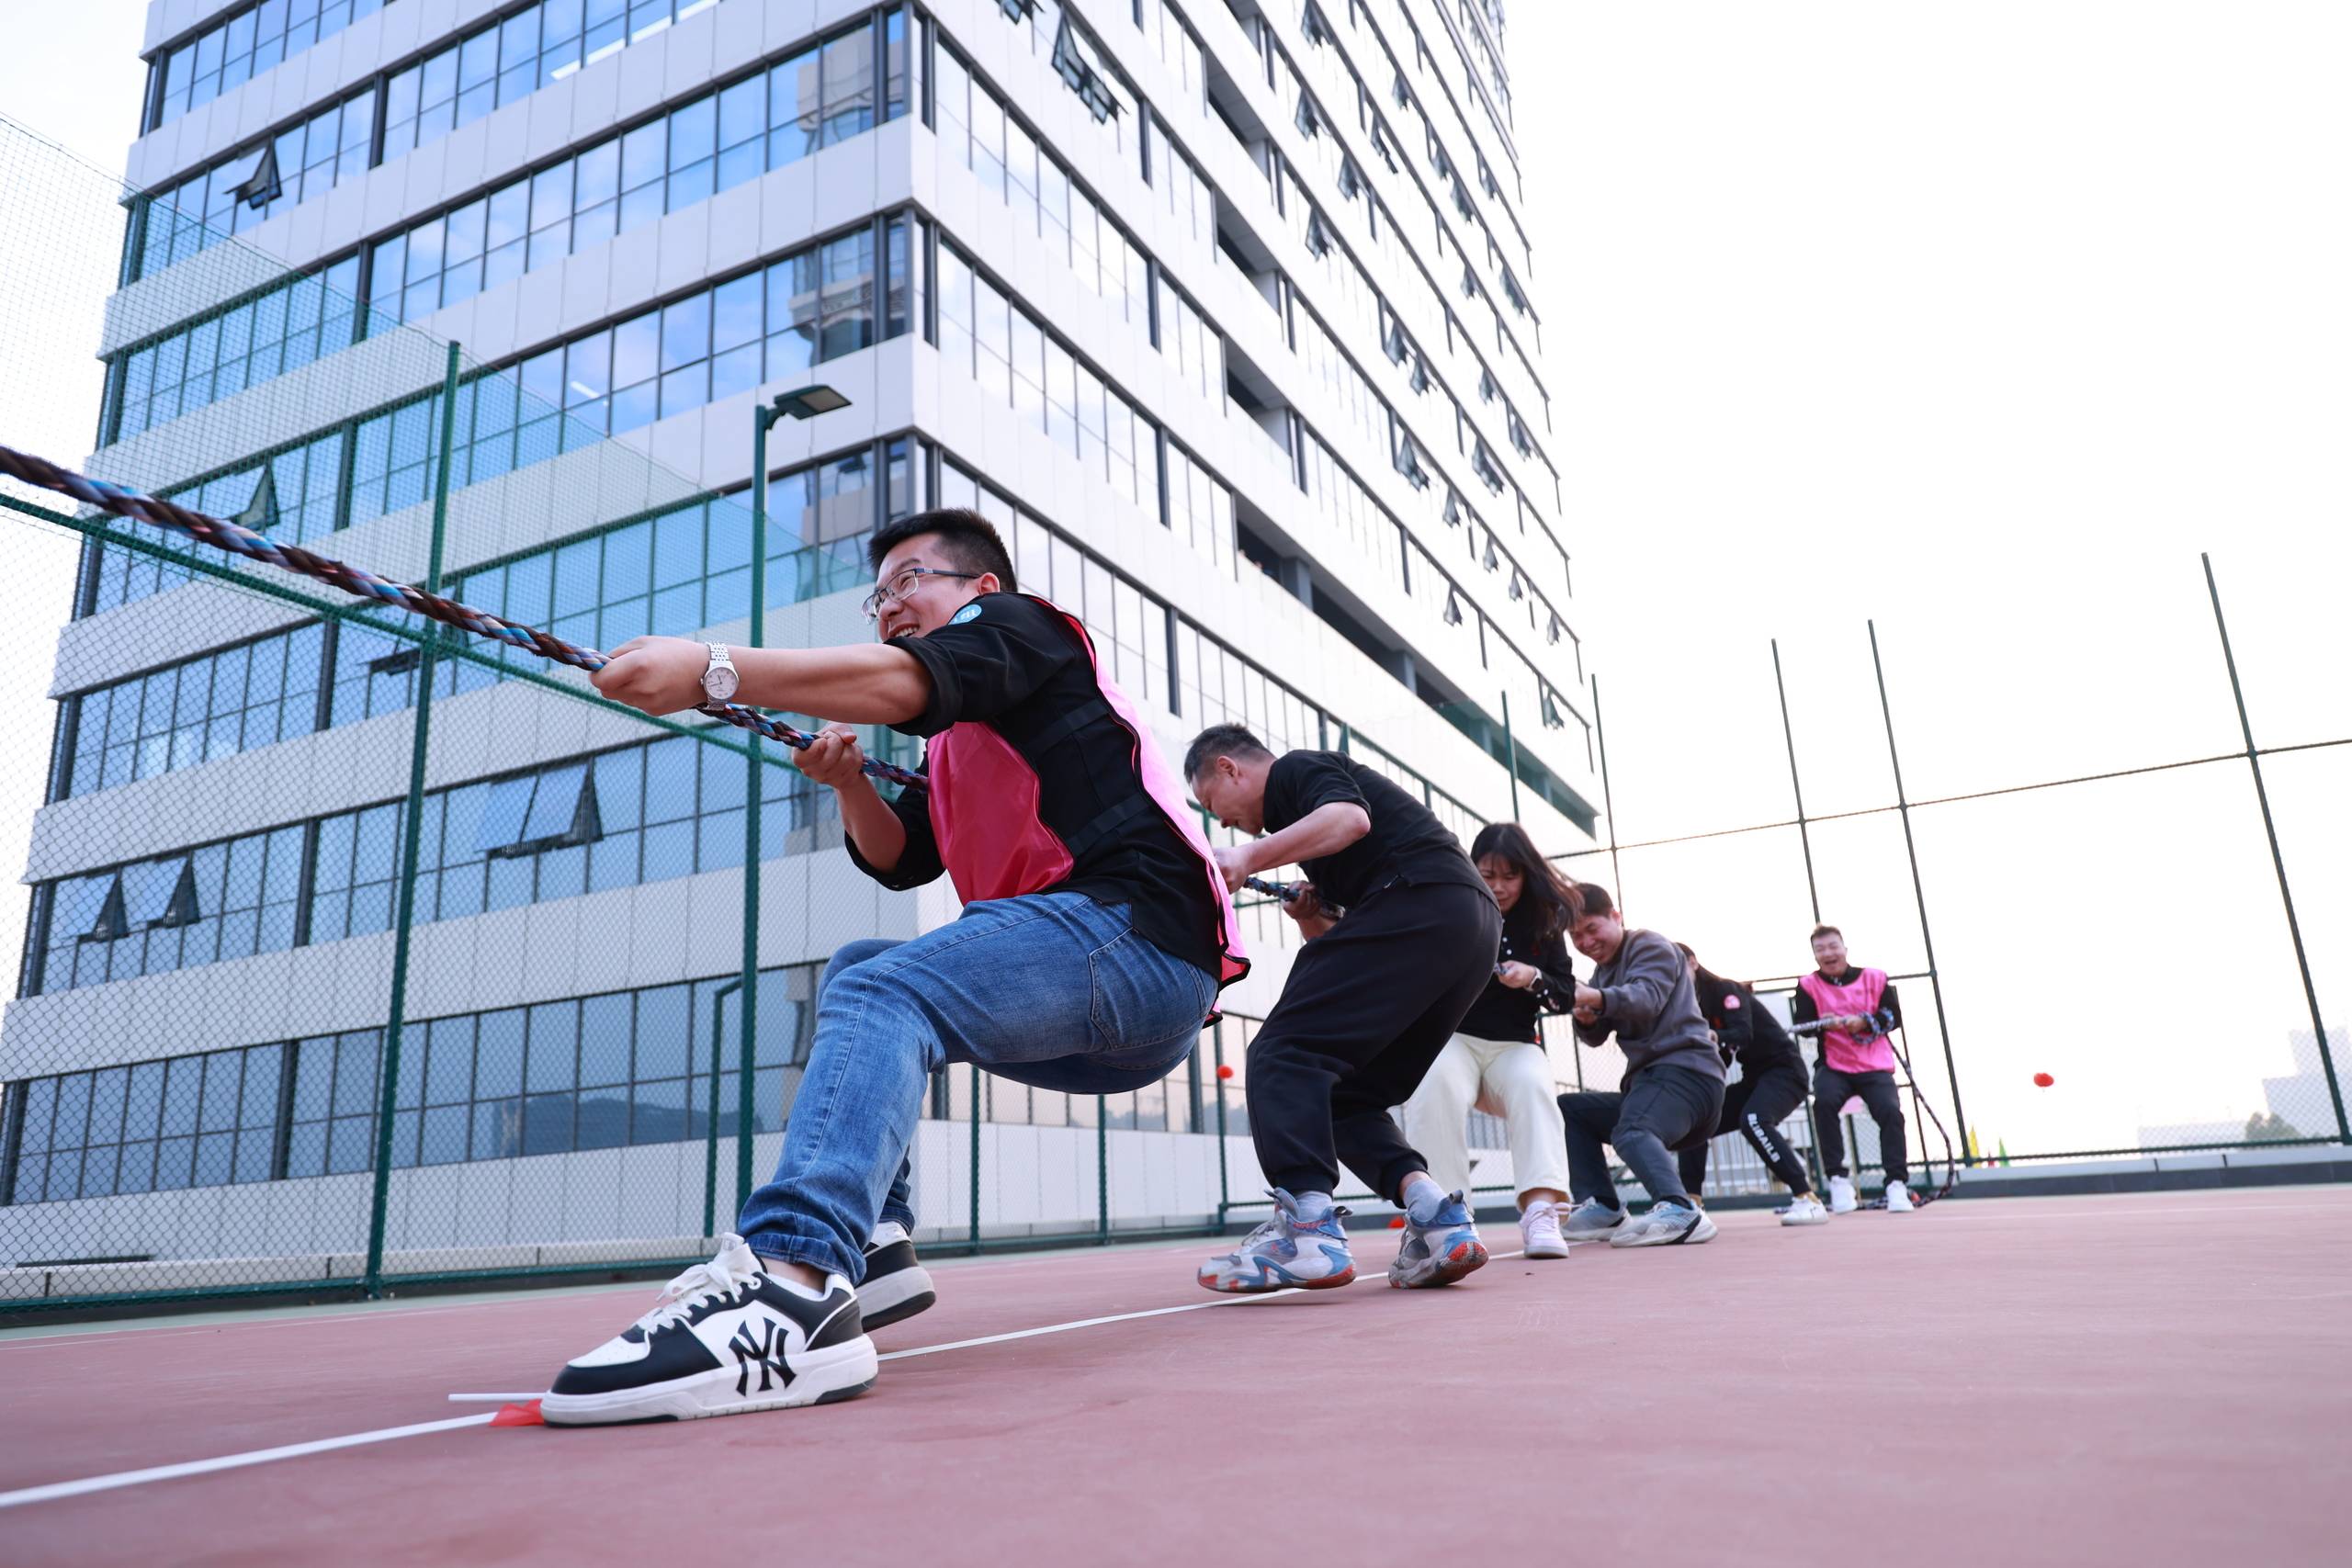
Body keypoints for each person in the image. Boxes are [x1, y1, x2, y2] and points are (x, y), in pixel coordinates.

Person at [538, 507, 1247, 1425]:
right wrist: (847, 784)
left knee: (882, 988)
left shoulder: (1022, 626)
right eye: (878, 596)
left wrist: (713, 669)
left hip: (1136, 943)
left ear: (979, 589)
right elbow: (901, 857)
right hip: (1099, 1002)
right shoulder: (952, 745)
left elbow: (910, 680)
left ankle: (793, 1282)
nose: (889, 605)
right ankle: (869, 1244)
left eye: (910, 579)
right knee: (863, 967)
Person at [1186, 727, 1500, 1292]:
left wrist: (1247, 857)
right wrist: (1313, 912)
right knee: (1344, 1097)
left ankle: (1307, 1230)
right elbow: (1346, 959)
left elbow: (1350, 819)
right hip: (1468, 932)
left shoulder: (1295, 771)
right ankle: (1437, 1216)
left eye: (1214, 804)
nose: (1224, 823)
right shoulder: (1307, 834)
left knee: (1283, 1052)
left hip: (1423, 900)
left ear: (1230, 768)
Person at [1399, 823, 1580, 1259]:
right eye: (1488, 874)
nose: (1499, 886)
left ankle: (1541, 1212)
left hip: (1514, 1046)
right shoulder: (1452, 905)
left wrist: (1533, 978)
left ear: (1526, 875)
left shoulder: (1544, 921)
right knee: (1432, 1084)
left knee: (1535, 1087)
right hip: (1453, 1039)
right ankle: (1442, 1218)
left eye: (1510, 876)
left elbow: (1565, 996)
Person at [1554, 886, 1727, 1247]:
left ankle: (1681, 1210)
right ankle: (1603, 1207)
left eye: (1592, 928)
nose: (1586, 942)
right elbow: (1596, 1035)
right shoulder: (1603, 973)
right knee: (1570, 1110)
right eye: (1576, 935)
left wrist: (1593, 997)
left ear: (1615, 916)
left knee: (1632, 1132)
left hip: (1687, 1076)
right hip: (1652, 1086)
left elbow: (1646, 999)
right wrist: (1587, 1018)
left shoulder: (1649, 945)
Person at [1674, 945, 1828, 1226]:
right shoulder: (1690, 1004)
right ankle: (1691, 1205)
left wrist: (1712, 1035)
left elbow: (1741, 1034)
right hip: (1754, 1078)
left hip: (1785, 1073)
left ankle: (1807, 1198)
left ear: (1693, 963)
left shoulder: (1726, 990)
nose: (1671, 974)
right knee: (1695, 1121)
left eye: (1676, 965)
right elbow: (1721, 1056)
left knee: (1754, 1120)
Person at [1793, 924, 1912, 1213]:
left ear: (1845, 949)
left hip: (1875, 1064)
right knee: (1824, 1104)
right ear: (1814, 955)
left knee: (1890, 1112)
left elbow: (1894, 1017)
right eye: (1820, 949)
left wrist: (1864, 1022)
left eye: (1833, 946)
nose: (1828, 953)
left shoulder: (1876, 978)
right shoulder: (1808, 985)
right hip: (1834, 1065)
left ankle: (1897, 1184)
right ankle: (1838, 1180)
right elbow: (1804, 1027)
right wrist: (1825, 1023)